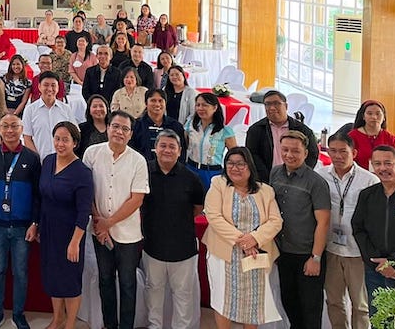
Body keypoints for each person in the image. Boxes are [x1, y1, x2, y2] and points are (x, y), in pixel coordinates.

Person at [82, 111, 149, 329]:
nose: (119, 132)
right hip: (99, 231)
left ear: (130, 134)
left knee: (128, 283)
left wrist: (107, 224)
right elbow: (87, 191)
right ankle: (109, 324)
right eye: (116, 126)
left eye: (125, 129)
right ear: (108, 128)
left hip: (128, 234)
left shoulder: (138, 161)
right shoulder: (92, 153)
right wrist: (98, 222)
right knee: (105, 280)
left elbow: (136, 199)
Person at [203, 147, 283, 328]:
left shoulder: (266, 190)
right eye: (230, 163)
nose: (235, 168)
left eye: (240, 163)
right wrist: (244, 241)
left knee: (253, 302)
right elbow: (214, 217)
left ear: (249, 166)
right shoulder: (218, 184)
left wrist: (254, 239)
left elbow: (275, 221)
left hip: (256, 254)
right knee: (222, 299)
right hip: (224, 253)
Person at [0, 114, 41, 329]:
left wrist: (35, 222)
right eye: (5, 126)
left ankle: (18, 313)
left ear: (21, 129)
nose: (9, 130)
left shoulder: (32, 158)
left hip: (22, 227)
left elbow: (37, 194)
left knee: (21, 271)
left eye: (14, 126)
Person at [141, 130, 204, 329]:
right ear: (155, 148)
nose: (167, 150)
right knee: (154, 291)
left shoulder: (191, 178)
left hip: (183, 248)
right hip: (153, 246)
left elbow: (197, 208)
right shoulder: (144, 172)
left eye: (172, 147)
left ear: (179, 151)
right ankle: (154, 326)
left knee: (183, 295)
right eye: (163, 146)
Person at [271, 130, 332, 329]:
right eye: (285, 150)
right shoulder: (275, 173)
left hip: (308, 254)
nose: (289, 154)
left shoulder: (316, 182)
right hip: (284, 252)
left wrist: (315, 258)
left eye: (295, 151)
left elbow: (323, 222)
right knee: (289, 302)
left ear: (305, 153)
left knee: (310, 308)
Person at [320, 132, 380, 329]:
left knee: (361, 305)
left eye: (343, 151)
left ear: (353, 153)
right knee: (334, 301)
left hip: (357, 252)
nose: (337, 156)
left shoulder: (369, 180)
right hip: (330, 248)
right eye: (333, 151)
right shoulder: (321, 176)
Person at [36, 120, 92, 329]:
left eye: (65, 140)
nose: (60, 144)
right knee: (52, 276)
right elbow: (41, 197)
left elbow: (84, 210)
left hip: (70, 233)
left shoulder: (82, 172)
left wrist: (75, 241)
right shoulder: (48, 161)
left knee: (70, 280)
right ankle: (57, 318)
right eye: (57, 139)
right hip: (49, 229)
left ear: (75, 143)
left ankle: (69, 324)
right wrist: (38, 225)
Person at [351, 145, 395, 318]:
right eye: (377, 163)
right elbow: (358, 229)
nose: (382, 168)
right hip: (376, 272)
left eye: (388, 163)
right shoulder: (367, 195)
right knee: (379, 318)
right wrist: (377, 264)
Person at [246, 90, 320, 183]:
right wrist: (267, 178)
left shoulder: (302, 130)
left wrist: (299, 175)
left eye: (276, 103)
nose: (272, 108)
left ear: (286, 106)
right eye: (267, 104)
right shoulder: (256, 130)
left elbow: (312, 155)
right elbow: (252, 156)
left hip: (295, 180)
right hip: (265, 180)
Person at [186, 92, 237, 191]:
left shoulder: (225, 131)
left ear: (215, 108)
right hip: (191, 169)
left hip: (212, 173)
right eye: (198, 105)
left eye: (205, 105)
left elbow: (234, 156)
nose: (200, 108)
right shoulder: (190, 126)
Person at [21, 71, 73, 160]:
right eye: (46, 85)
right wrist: (36, 159)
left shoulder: (66, 109)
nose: (49, 89)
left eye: (53, 85)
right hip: (39, 161)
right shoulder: (30, 110)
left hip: (63, 161)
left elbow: (73, 135)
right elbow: (27, 138)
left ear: (58, 87)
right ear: (39, 87)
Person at [129, 89, 187, 161]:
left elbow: (182, 154)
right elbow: (131, 152)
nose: (157, 104)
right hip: (142, 169)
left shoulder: (176, 126)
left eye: (160, 101)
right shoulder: (136, 126)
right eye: (153, 100)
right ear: (146, 103)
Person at [347, 99, 395, 170]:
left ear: (384, 117)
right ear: (363, 116)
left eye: (378, 114)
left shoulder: (391, 139)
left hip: (385, 177)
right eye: (369, 113)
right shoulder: (352, 136)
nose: (374, 117)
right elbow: (346, 161)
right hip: (359, 177)